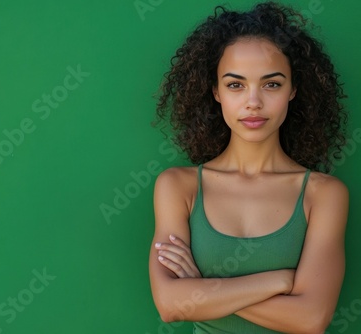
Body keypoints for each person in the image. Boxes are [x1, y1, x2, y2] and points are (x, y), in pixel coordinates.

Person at [149, 1, 349, 333]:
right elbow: (171, 305)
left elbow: (312, 319)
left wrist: (205, 286)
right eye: (235, 85)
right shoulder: (178, 186)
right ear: (215, 92)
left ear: (293, 90)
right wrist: (282, 280)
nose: (253, 101)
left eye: (271, 84)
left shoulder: (324, 194)